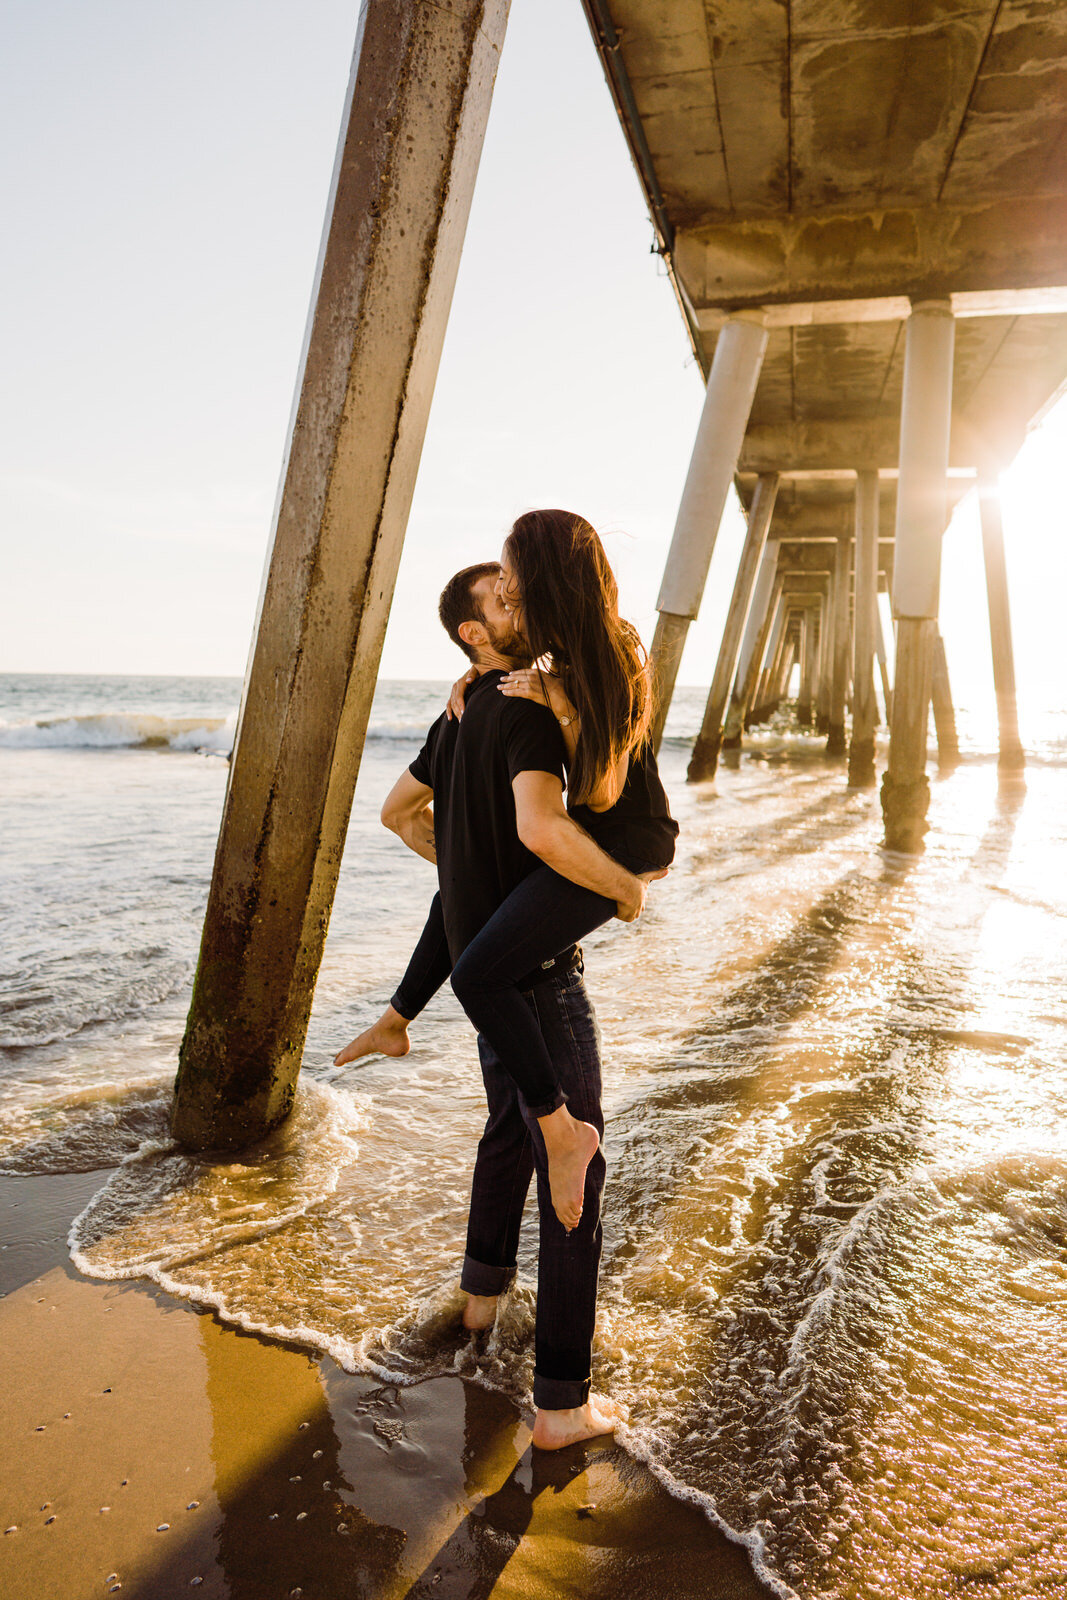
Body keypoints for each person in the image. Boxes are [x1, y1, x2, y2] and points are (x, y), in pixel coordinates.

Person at [338, 513, 678, 1238]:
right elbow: (401, 814)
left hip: (626, 841)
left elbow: (600, 797)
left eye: (513, 582)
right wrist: (483, 677)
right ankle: (398, 1021)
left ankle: (560, 1132)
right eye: (501, 594)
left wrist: (624, 886)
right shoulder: (533, 662)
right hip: (583, 839)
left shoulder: (608, 650)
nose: (510, 595)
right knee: (466, 894)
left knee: (481, 971)